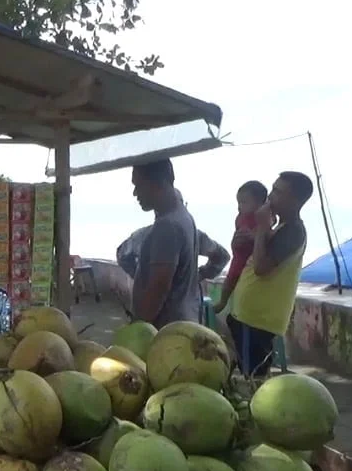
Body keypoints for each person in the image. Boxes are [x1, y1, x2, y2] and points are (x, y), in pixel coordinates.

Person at [227, 171, 313, 378]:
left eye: (277, 191)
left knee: (254, 377)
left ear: (294, 200)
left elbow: (261, 267)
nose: (270, 196)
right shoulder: (281, 227)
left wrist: (263, 227)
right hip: (248, 315)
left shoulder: (293, 231)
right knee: (247, 371)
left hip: (258, 320)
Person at [129, 159, 229, 328]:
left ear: (157, 183)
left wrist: (139, 326)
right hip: (185, 320)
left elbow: (158, 288)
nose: (134, 193)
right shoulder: (183, 216)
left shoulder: (167, 226)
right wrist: (199, 274)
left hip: (165, 330)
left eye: (138, 185)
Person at [213, 180, 269, 314]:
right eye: (238, 202)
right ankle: (222, 301)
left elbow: (267, 236)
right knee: (230, 279)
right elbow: (237, 234)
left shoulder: (263, 218)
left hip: (251, 260)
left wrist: (253, 236)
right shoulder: (240, 218)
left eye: (244, 202)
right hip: (239, 257)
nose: (239, 206)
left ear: (260, 203)